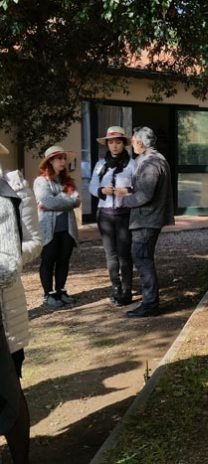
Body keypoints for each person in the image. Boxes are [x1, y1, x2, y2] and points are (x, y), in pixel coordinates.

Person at [0, 142, 42, 462]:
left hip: (5, 308)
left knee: (11, 391)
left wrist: (8, 262)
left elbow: (34, 243)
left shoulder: (14, 190)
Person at [115, 127, 174, 317]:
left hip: (146, 219)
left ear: (140, 142)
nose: (131, 144)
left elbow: (145, 195)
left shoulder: (151, 163)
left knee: (142, 259)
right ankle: (149, 302)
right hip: (149, 218)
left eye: (132, 141)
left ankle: (150, 304)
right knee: (143, 258)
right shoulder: (157, 160)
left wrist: (125, 199)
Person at [89, 126, 137, 306]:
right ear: (107, 144)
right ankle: (116, 288)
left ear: (124, 144)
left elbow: (139, 188)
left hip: (125, 214)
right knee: (111, 254)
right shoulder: (100, 165)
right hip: (105, 215)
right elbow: (92, 186)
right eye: (111, 142)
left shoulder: (132, 164)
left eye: (118, 142)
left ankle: (127, 290)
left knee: (125, 254)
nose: (114, 146)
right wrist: (102, 190)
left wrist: (127, 191)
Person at [33, 145, 81, 308]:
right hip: (49, 229)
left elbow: (76, 200)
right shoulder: (41, 181)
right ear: (50, 161)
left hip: (66, 229)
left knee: (64, 259)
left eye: (64, 158)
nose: (63, 162)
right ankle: (48, 294)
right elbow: (48, 201)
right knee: (48, 260)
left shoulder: (67, 181)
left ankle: (60, 290)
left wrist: (57, 201)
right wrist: (64, 200)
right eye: (59, 158)